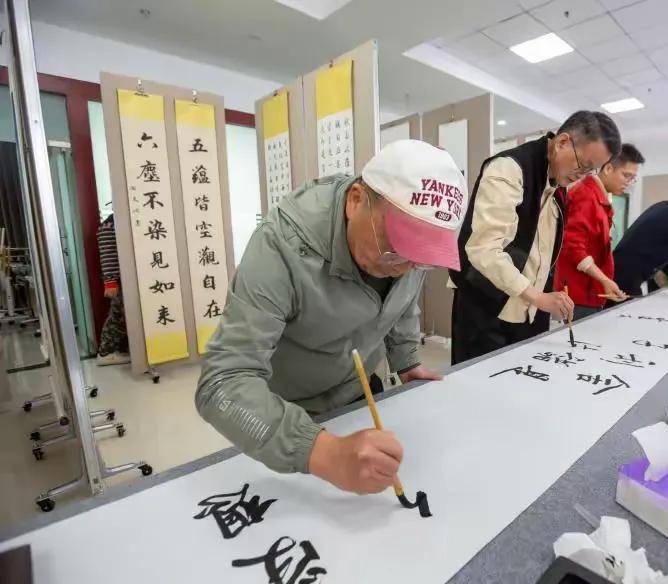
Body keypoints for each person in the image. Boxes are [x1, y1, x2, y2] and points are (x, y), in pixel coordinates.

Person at [196, 140, 466, 495]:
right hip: (292, 414)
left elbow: (403, 302)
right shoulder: (283, 244)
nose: (404, 269)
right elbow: (222, 384)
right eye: (395, 249)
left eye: (422, 258)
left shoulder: (407, 258)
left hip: (359, 392)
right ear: (356, 200)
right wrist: (325, 453)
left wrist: (406, 359)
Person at [449, 111, 620, 364]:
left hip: (531, 310)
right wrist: (537, 296)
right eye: (582, 165)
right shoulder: (509, 169)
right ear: (562, 142)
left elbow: (542, 250)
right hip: (488, 306)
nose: (582, 175)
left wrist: (546, 297)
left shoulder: (558, 184)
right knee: (483, 391)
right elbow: (483, 249)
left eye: (591, 170)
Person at [554, 143, 642, 320]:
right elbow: (573, 247)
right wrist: (604, 280)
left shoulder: (598, 197)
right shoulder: (586, 196)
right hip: (577, 293)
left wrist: (604, 282)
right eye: (626, 176)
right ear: (608, 168)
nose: (628, 183)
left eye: (632, 178)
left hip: (589, 292)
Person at [96, 213, 130, 366]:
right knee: (119, 315)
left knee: (123, 315)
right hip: (120, 279)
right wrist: (110, 281)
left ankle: (117, 349)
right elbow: (107, 254)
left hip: (129, 277)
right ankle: (106, 351)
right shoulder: (109, 225)